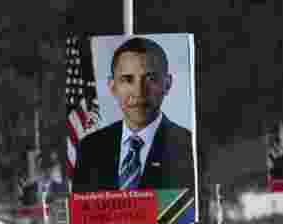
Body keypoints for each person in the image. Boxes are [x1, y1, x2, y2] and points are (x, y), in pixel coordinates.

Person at [71, 36, 195, 192]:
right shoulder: (90, 149)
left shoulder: (189, 147)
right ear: (112, 87)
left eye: (150, 79)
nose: (138, 92)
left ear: (167, 84)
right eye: (127, 79)